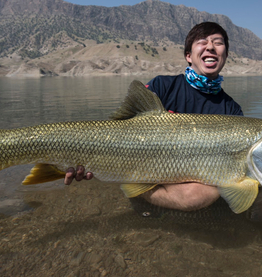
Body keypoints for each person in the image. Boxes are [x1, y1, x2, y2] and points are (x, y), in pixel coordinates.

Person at [65, 22, 243, 211]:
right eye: (202, 42)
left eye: (218, 42)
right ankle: (133, 186)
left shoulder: (232, 110)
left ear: (225, 56)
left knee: (203, 194)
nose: (210, 47)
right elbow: (119, 128)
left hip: (191, 185)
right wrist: (91, 159)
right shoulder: (162, 86)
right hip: (147, 174)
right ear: (188, 56)